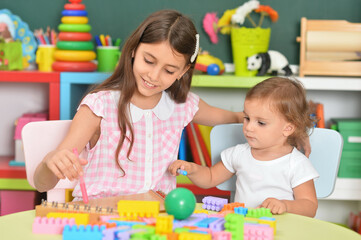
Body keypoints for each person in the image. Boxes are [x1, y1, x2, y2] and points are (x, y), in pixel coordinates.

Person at [33, 9, 244, 201]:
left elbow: (235, 117)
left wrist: (258, 122)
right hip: (101, 217)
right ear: (133, 50)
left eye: (169, 71)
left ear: (182, 72)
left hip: (155, 220)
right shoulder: (99, 106)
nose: (153, 75)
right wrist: (49, 161)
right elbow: (44, 183)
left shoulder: (183, 105)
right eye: (149, 61)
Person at [169, 77, 319, 217]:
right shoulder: (239, 154)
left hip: (280, 230)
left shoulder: (296, 163)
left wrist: (285, 205)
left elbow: (310, 206)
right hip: (243, 227)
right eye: (247, 118)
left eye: (261, 123)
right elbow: (210, 177)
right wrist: (192, 169)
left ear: (287, 128)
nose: (248, 127)